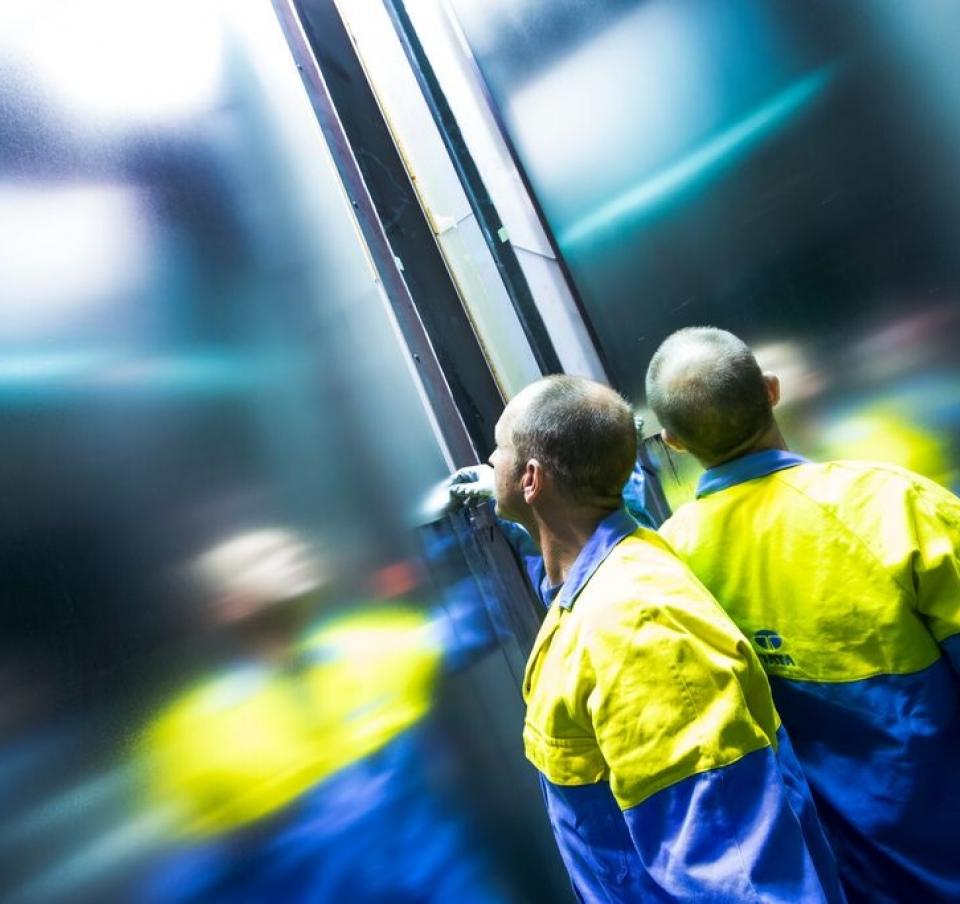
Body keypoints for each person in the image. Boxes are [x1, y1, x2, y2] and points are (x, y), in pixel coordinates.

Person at [463, 374, 843, 902]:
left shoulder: (636, 629)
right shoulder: (605, 578)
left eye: (499, 448)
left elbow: (737, 870)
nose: (490, 459)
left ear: (531, 479)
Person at [645, 326, 960, 903]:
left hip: (844, 880)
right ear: (771, 390)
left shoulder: (668, 563)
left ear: (674, 441)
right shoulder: (896, 503)